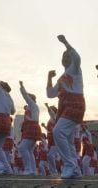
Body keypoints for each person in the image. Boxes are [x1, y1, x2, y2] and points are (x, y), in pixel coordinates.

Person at [46, 35, 85, 179]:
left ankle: (69, 165)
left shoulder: (75, 69)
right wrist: (49, 78)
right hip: (64, 108)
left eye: (68, 56)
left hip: (74, 105)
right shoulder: (61, 77)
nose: (66, 58)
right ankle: (75, 170)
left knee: (58, 132)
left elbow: (77, 58)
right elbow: (50, 94)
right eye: (63, 56)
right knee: (68, 141)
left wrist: (65, 43)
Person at [18, 81, 42, 175]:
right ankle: (32, 170)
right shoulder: (32, 106)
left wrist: (22, 86)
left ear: (32, 99)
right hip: (31, 127)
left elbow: (25, 96)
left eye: (29, 98)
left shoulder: (32, 105)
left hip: (31, 127)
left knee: (23, 148)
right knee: (29, 150)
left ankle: (28, 169)